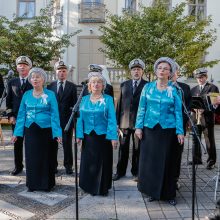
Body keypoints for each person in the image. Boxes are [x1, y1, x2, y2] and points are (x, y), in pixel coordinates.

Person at [135, 57, 184, 206]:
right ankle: (153, 192)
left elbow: (178, 111)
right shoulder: (147, 87)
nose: (162, 70)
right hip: (150, 129)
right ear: (156, 71)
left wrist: (180, 131)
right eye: (160, 68)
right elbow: (142, 108)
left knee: (168, 162)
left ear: (170, 72)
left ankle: (169, 193)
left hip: (168, 130)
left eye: (166, 69)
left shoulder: (175, 89)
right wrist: (138, 126)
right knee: (152, 162)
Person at [11, 67, 62, 192]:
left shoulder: (50, 94)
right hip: (31, 131)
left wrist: (57, 133)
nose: (35, 79)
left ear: (43, 79)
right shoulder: (27, 95)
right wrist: (17, 133)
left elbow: (55, 115)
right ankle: (32, 184)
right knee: (32, 157)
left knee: (45, 157)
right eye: (33, 77)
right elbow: (21, 114)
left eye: (37, 77)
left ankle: (46, 184)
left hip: (46, 130)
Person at [76, 71, 118, 196]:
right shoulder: (83, 99)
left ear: (103, 85)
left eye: (99, 82)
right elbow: (80, 119)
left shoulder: (108, 99)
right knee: (89, 162)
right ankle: (87, 186)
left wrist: (113, 137)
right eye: (93, 82)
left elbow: (112, 119)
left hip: (103, 136)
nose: (96, 84)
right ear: (89, 85)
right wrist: (79, 135)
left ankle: (101, 188)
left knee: (102, 162)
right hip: (88, 136)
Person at [112, 58, 147, 181]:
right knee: (123, 148)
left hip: (139, 124)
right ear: (130, 72)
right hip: (124, 123)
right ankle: (120, 172)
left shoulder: (147, 86)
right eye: (134, 69)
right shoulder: (124, 85)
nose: (136, 72)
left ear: (142, 71)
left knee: (138, 149)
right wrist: (116, 123)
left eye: (138, 69)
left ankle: (136, 172)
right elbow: (119, 105)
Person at [47, 61, 77, 174]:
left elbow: (75, 105)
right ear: (56, 72)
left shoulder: (72, 86)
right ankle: (53, 165)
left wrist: (73, 123)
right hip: (53, 121)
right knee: (53, 144)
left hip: (67, 121)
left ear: (67, 73)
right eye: (59, 71)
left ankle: (68, 166)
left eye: (64, 71)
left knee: (67, 144)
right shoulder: (50, 86)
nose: (62, 73)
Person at [6, 56, 33, 175]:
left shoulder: (34, 80)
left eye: (25, 65)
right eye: (20, 65)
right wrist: (11, 115)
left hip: (31, 119)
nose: (22, 67)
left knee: (31, 144)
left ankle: (32, 166)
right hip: (16, 119)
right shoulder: (12, 82)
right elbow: (8, 101)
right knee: (17, 144)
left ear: (29, 67)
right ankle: (18, 166)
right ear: (17, 68)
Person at [190, 68, 219, 169]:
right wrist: (194, 109)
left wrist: (204, 109)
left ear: (206, 77)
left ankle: (211, 161)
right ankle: (196, 159)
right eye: (198, 78)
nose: (200, 79)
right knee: (195, 139)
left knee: (209, 140)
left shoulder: (213, 88)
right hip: (195, 117)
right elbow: (190, 103)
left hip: (207, 118)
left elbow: (215, 105)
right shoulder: (193, 89)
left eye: (202, 77)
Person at [172, 62, 192, 189]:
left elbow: (189, 105)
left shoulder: (184, 87)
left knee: (177, 153)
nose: (172, 73)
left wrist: (186, 120)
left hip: (180, 126)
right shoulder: (161, 86)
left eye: (174, 71)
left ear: (177, 73)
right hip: (164, 127)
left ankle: (175, 178)